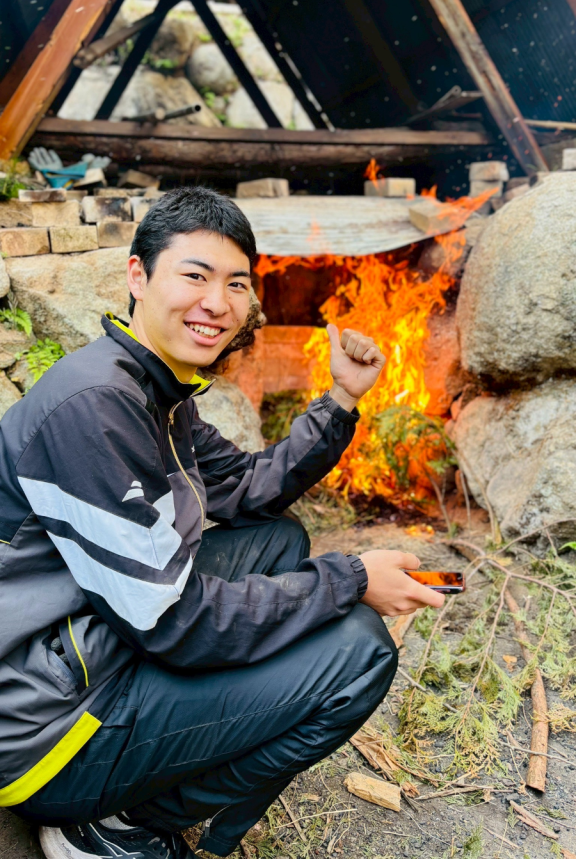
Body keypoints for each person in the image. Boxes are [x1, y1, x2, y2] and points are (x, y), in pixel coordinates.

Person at [0, 186, 443, 859]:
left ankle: (170, 757)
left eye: (236, 283)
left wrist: (341, 399)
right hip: (41, 725)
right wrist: (350, 579)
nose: (218, 302)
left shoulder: (154, 388)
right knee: (359, 653)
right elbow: (172, 623)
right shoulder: (97, 408)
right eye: (195, 275)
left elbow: (245, 487)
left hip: (91, 640)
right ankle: (115, 826)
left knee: (279, 541)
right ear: (138, 275)